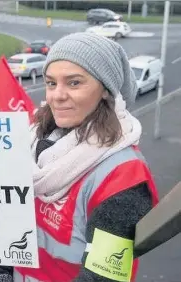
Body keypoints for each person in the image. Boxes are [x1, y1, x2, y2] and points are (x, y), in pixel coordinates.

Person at [13, 32, 159, 281]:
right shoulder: (31, 144)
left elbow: (103, 278)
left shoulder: (123, 175)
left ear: (105, 90)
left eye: (74, 83)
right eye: (51, 83)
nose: (57, 96)